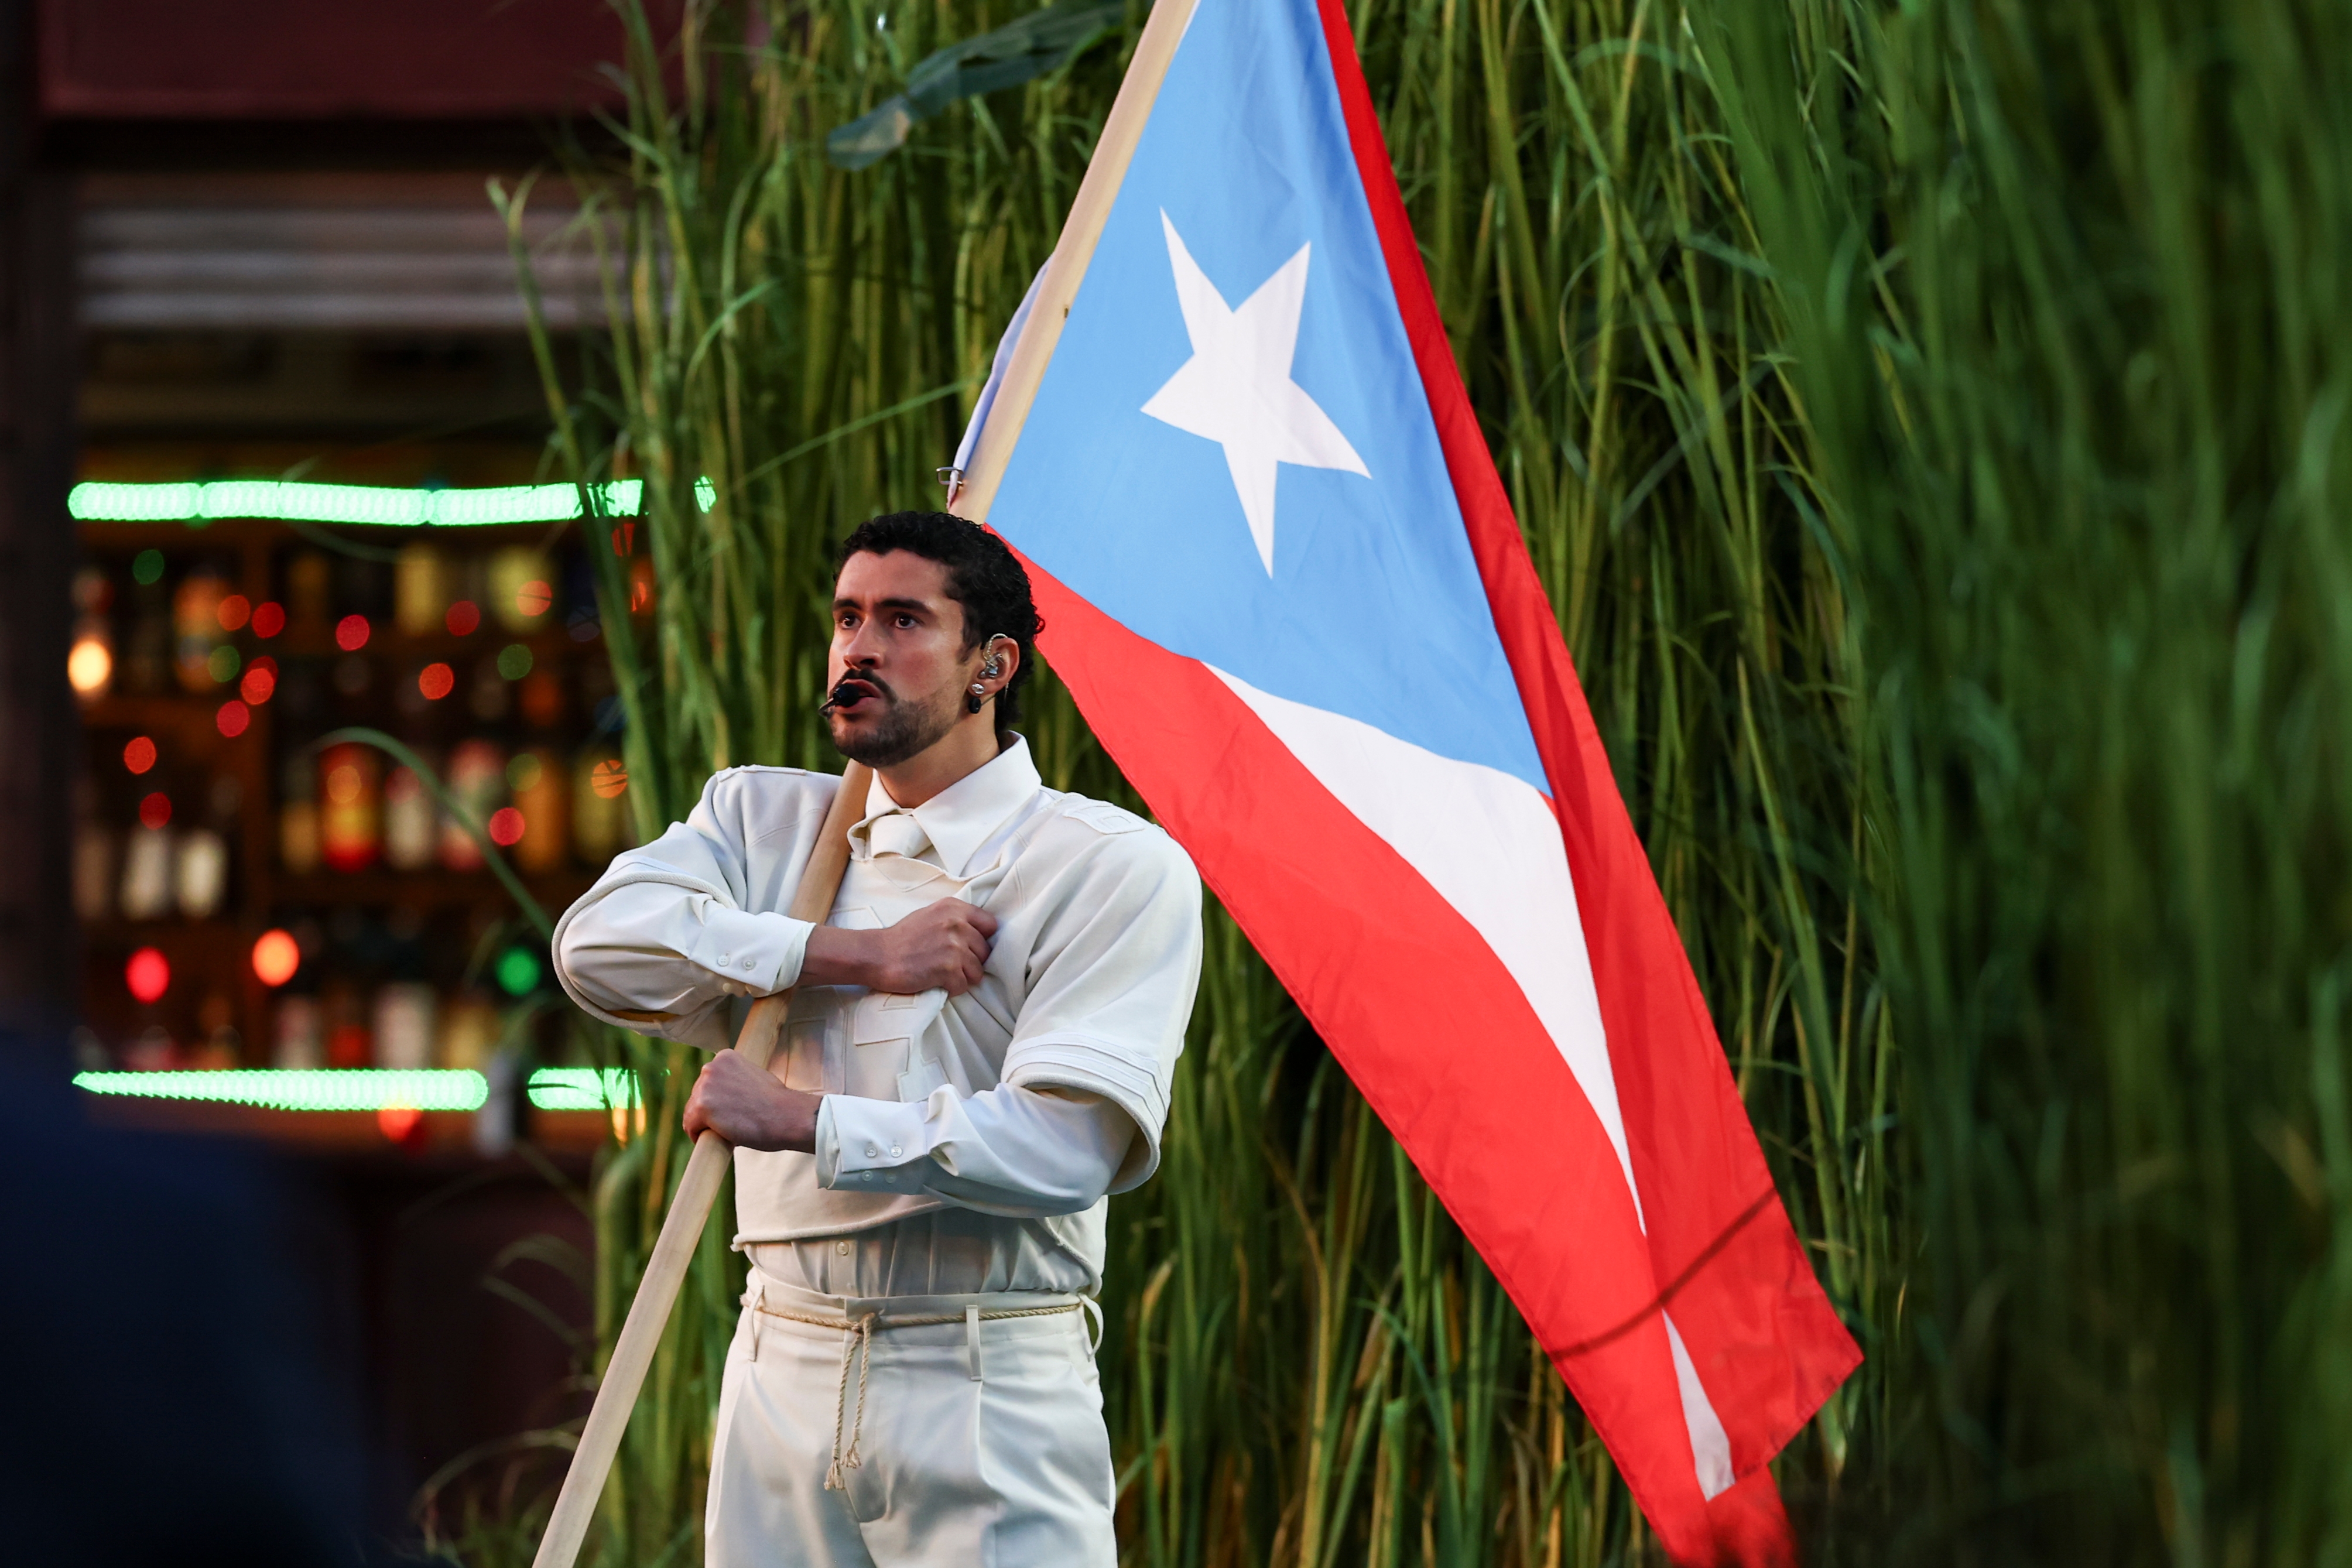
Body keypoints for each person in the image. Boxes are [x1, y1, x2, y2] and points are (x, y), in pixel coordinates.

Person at [553, 511, 1203, 1565]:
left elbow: (1066, 1150)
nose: (859, 647)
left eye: (903, 619)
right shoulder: (761, 825)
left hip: (984, 1374)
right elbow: (595, 949)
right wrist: (851, 955)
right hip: (778, 1355)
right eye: (848, 617)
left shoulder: (1108, 865)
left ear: (992, 664)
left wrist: (803, 1120)